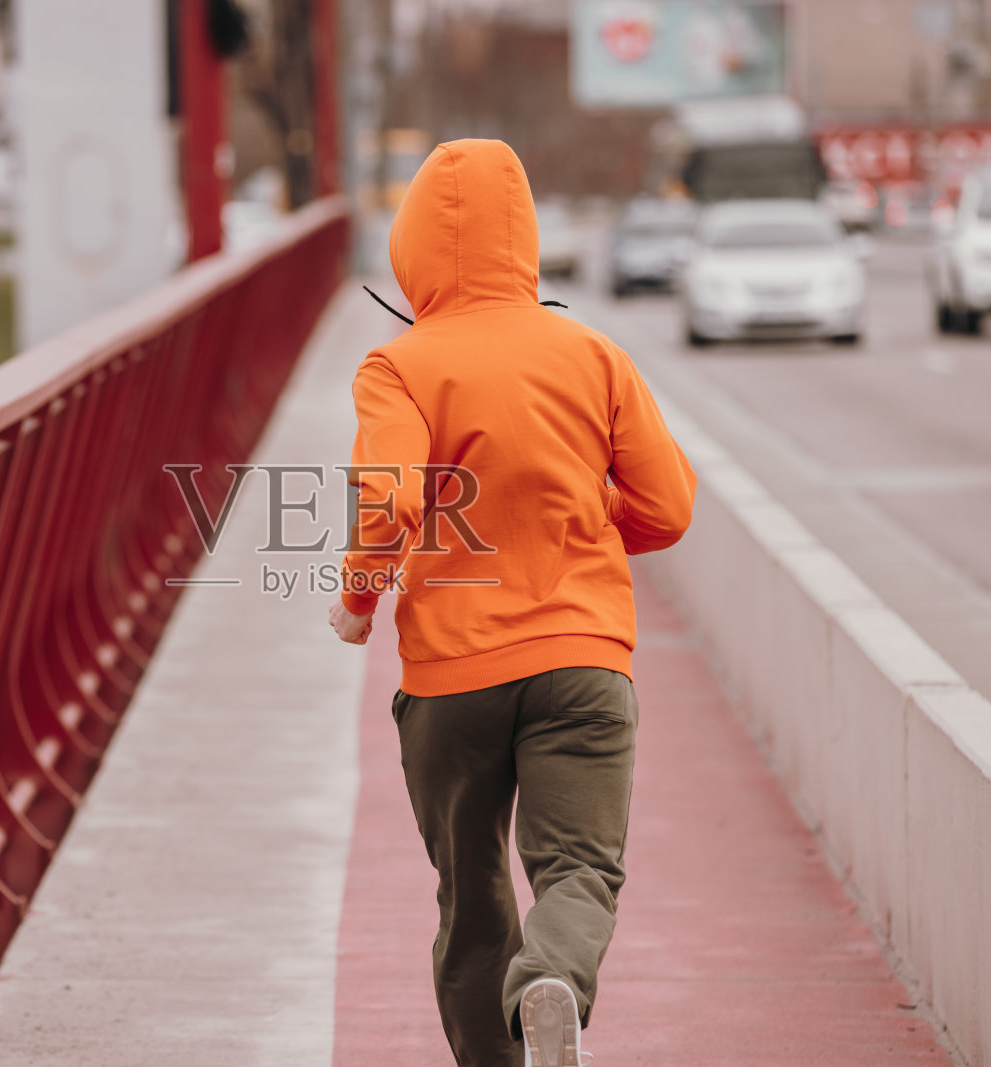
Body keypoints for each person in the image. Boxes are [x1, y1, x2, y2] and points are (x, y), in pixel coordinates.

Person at [327, 139, 697, 1067]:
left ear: (411, 251)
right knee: (577, 869)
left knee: (472, 890)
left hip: (453, 680)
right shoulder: (592, 354)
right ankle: (553, 982)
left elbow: (391, 500)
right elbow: (668, 507)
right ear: (525, 242)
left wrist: (358, 599)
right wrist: (586, 511)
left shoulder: (398, 365)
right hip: (582, 663)